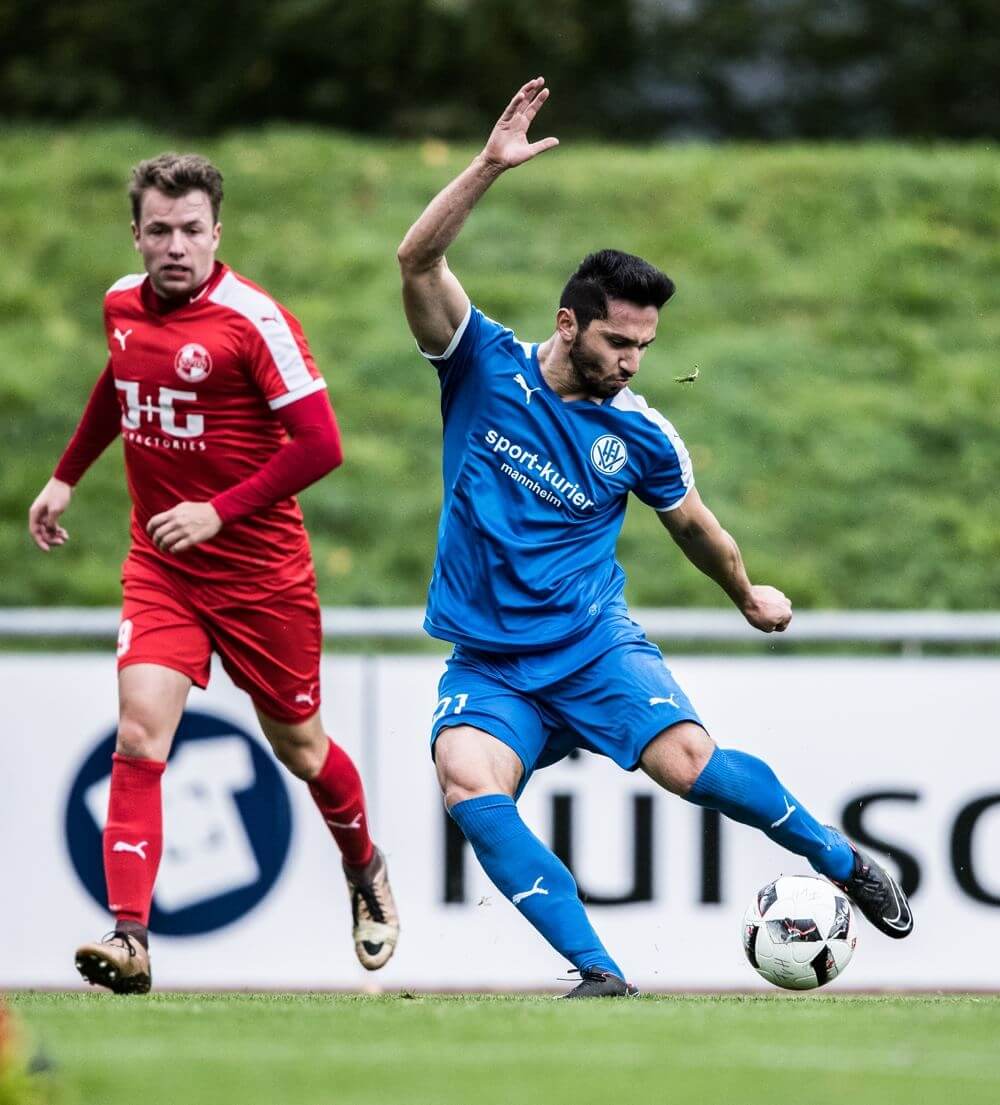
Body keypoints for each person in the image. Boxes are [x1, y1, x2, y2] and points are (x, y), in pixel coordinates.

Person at [397, 78, 913, 998]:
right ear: (569, 323)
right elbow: (416, 262)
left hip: (592, 645)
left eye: (643, 345)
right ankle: (599, 971)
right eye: (618, 342)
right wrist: (485, 167)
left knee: (691, 768)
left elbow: (694, 527)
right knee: (466, 779)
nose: (633, 362)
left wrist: (747, 592)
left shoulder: (638, 431)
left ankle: (840, 858)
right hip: (491, 660)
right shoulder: (482, 366)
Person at [29, 153, 399, 994]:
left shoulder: (253, 320)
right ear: (136, 233)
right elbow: (123, 382)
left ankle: (365, 864)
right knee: (138, 732)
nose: (174, 245)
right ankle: (130, 938)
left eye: (191, 229)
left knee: (302, 748)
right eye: (158, 229)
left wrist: (219, 511)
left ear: (217, 233)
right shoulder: (120, 304)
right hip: (163, 565)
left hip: (262, 574)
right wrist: (66, 473)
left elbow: (322, 444)